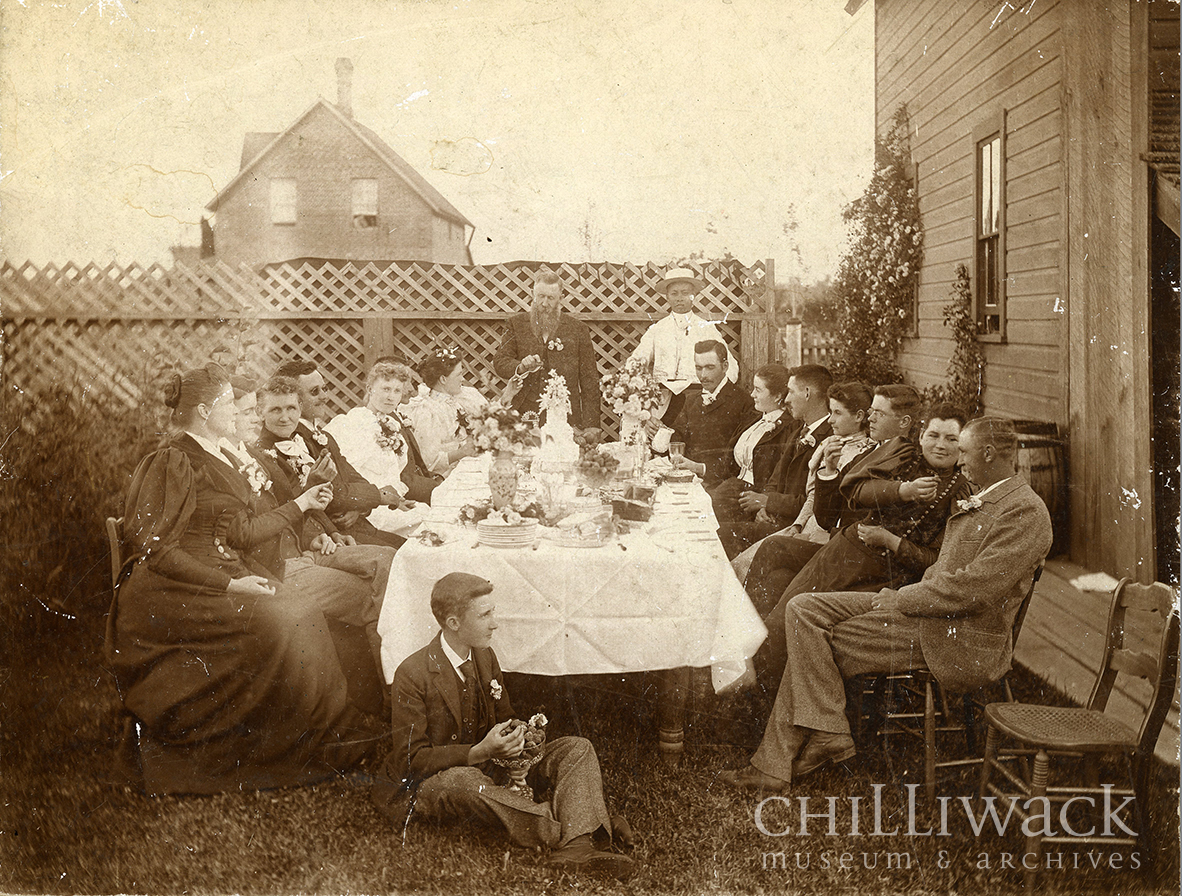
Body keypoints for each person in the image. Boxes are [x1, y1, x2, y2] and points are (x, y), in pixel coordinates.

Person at [720, 416, 1053, 792]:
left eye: (963, 451)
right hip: (926, 611)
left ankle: (774, 765)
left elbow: (972, 590)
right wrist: (906, 599)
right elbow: (946, 572)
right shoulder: (986, 496)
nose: (958, 460)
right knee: (803, 607)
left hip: (957, 638)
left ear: (989, 454)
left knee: (812, 639)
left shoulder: (1023, 512)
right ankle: (829, 729)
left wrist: (901, 597)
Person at [106, 364, 380, 795]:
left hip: (223, 567)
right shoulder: (174, 459)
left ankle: (324, 733)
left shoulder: (216, 452)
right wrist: (231, 585)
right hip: (174, 588)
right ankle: (294, 741)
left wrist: (302, 504)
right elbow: (158, 550)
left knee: (299, 611)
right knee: (291, 615)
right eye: (228, 405)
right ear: (202, 410)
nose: (238, 413)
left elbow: (236, 532)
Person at [372, 573, 638, 881]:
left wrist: (519, 735)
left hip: (490, 764)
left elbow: (504, 714)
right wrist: (478, 751)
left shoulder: (484, 655)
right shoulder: (413, 673)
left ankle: (578, 845)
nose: (494, 623)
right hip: (431, 781)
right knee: (466, 781)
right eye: (485, 615)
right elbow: (412, 758)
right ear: (454, 623)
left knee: (576, 748)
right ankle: (581, 829)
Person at [755, 404, 974, 685]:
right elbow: (858, 490)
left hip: (885, 577)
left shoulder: (961, 494)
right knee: (779, 589)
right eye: (933, 436)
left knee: (790, 613)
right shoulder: (904, 458)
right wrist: (901, 490)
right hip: (848, 553)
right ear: (920, 437)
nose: (940, 445)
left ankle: (760, 680)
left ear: (963, 445)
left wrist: (892, 541)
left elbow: (940, 563)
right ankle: (759, 671)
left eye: (951, 439)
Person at [742, 383, 924, 616]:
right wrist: (828, 469)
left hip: (863, 560)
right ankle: (753, 633)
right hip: (839, 546)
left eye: (878, 413)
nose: (871, 419)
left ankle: (752, 634)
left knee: (774, 548)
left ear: (904, 422)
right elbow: (827, 517)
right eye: (871, 412)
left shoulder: (908, 464)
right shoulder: (870, 453)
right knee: (778, 576)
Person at [730, 381, 874, 582]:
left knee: (768, 563)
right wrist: (797, 526)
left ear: (859, 417)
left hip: (830, 534)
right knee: (746, 563)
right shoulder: (829, 445)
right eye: (830, 412)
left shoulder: (865, 453)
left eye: (837, 413)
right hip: (807, 523)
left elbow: (842, 509)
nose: (831, 420)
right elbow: (813, 495)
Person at [272, 359, 403, 548]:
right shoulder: (292, 442)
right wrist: (377, 496)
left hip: (357, 523)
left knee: (409, 548)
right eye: (314, 392)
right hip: (336, 534)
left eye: (324, 388)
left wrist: (359, 508)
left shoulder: (324, 436)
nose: (324, 396)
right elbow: (331, 492)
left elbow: (353, 478)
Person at [716, 365, 834, 557]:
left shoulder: (828, 438)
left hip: (796, 527)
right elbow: (775, 477)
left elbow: (813, 501)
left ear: (806, 393)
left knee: (722, 535)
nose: (786, 400)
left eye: (791, 392)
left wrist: (769, 501)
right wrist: (764, 505)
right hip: (773, 516)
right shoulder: (800, 431)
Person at [324, 360, 430, 534]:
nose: (391, 397)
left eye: (397, 391)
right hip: (370, 510)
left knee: (431, 515)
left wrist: (399, 500)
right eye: (385, 389)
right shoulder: (355, 422)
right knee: (429, 526)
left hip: (391, 503)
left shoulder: (391, 423)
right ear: (370, 389)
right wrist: (360, 506)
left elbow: (393, 474)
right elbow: (345, 473)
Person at [681, 364, 793, 525]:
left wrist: (766, 504)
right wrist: (697, 467)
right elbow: (730, 463)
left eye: (758, 390)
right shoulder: (755, 419)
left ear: (777, 396)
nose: (752, 394)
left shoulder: (787, 428)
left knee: (697, 516)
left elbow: (779, 475)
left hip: (749, 497)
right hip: (730, 488)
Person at [629, 266, 739, 426]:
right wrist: (642, 391)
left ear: (694, 296)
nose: (679, 298)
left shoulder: (706, 328)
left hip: (697, 400)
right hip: (663, 402)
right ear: (667, 297)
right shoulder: (658, 329)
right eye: (674, 293)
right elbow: (636, 362)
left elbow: (730, 366)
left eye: (685, 293)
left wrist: (715, 396)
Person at [493, 269, 601, 429]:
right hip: (524, 416)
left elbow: (589, 380)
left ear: (561, 298)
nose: (544, 303)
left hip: (565, 418)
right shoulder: (516, 324)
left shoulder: (578, 330)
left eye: (550, 298)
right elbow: (500, 362)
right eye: (540, 296)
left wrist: (592, 425)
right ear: (533, 294)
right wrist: (521, 366)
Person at [649, 339, 753, 481]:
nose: (703, 375)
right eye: (698, 368)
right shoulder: (692, 400)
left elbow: (741, 459)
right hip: (688, 480)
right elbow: (677, 437)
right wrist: (660, 431)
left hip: (720, 484)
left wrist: (698, 468)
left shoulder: (744, 402)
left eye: (710, 367)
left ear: (725, 366)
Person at [402, 346, 490, 476]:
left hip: (472, 467)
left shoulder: (457, 400)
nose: (462, 379)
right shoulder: (428, 411)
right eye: (459, 374)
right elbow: (428, 462)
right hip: (448, 477)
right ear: (443, 379)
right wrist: (462, 452)